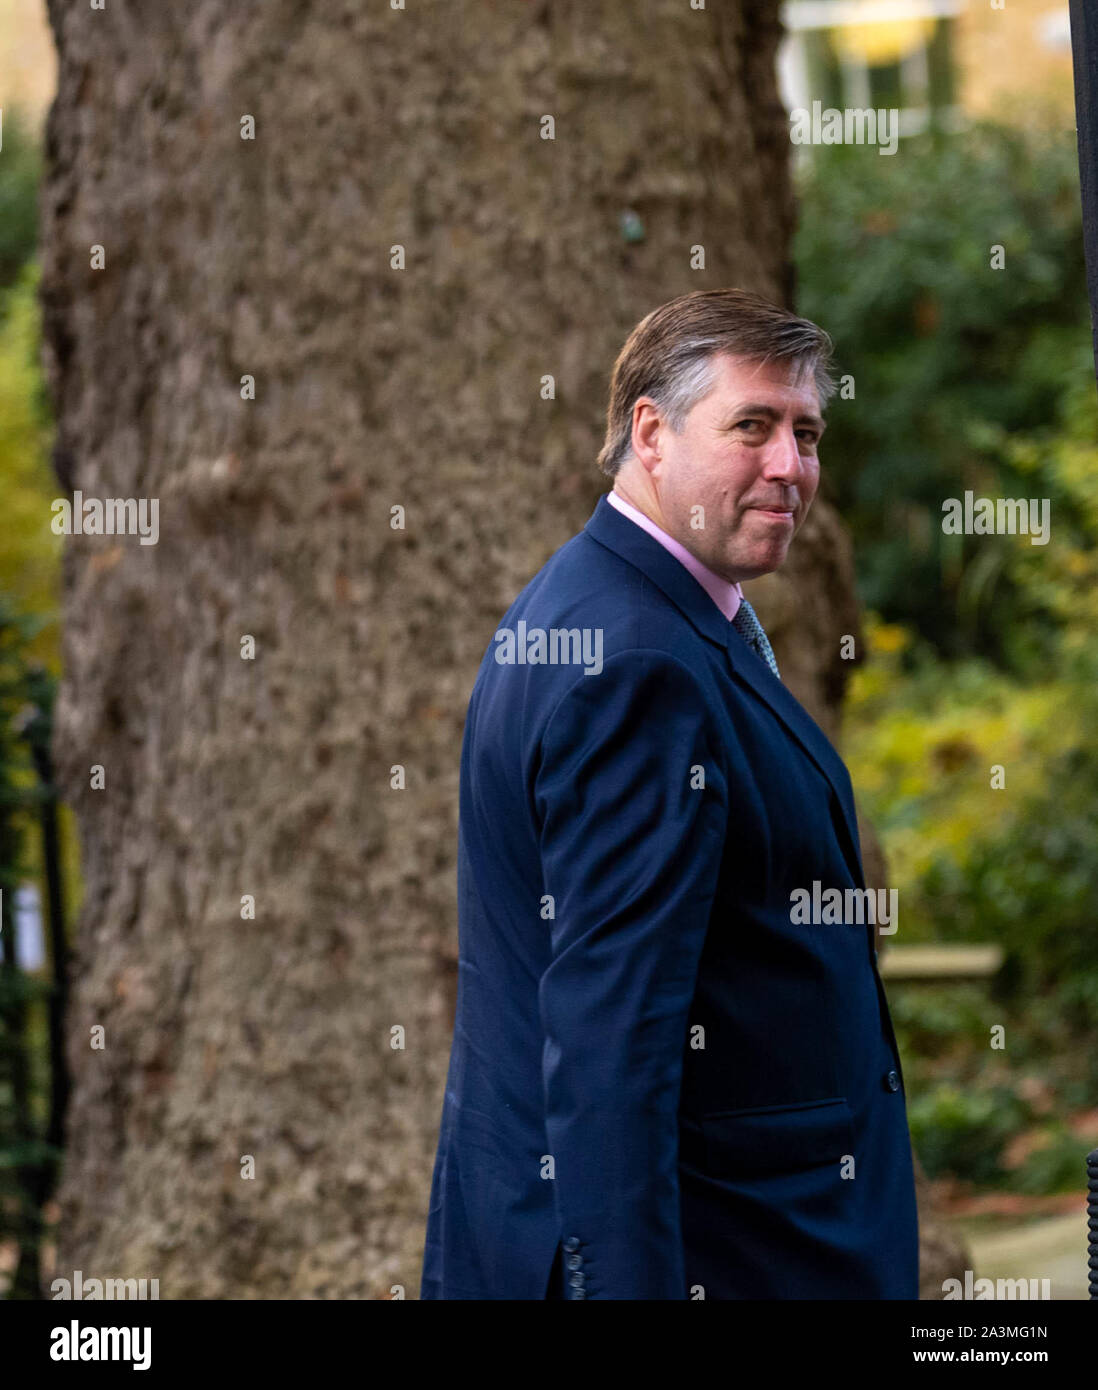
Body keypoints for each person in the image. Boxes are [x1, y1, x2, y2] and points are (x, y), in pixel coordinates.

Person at [419, 288, 918, 1300]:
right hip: (729, 1255)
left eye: (807, 432)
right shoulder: (639, 668)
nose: (791, 466)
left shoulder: (597, 607)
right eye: (753, 426)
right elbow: (613, 1050)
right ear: (650, 431)